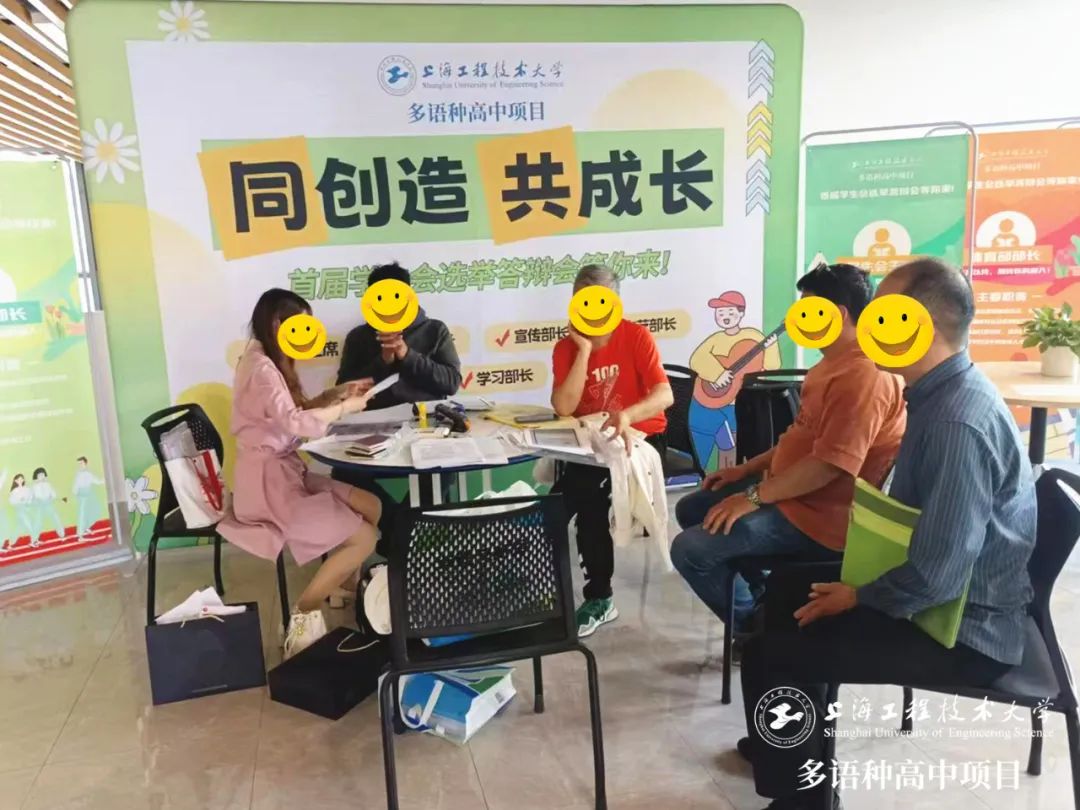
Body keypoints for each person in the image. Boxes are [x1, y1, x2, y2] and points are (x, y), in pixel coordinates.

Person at [739, 258, 1037, 810]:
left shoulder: (954, 422)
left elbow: (937, 575)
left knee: (775, 650)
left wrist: (858, 596)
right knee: (779, 600)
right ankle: (794, 756)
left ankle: (802, 798)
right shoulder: (938, 393)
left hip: (964, 628)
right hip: (939, 589)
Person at [671, 264, 906, 635]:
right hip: (794, 496)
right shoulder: (829, 365)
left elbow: (830, 465)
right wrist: (744, 471)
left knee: (691, 550)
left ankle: (754, 632)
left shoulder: (865, 375)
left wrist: (753, 497)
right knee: (693, 507)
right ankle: (766, 600)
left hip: (823, 520)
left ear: (838, 313)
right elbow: (800, 438)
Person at [218, 288, 382, 658]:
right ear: (278, 323)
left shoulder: (267, 360)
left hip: (286, 472)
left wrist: (338, 394)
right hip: (269, 488)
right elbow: (295, 422)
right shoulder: (261, 368)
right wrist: (345, 408)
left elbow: (298, 410)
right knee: (365, 539)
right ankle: (302, 615)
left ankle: (341, 586)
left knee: (371, 505)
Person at [551, 264, 674, 637]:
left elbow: (665, 394)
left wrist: (628, 415)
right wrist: (584, 351)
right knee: (554, 507)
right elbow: (564, 407)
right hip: (591, 445)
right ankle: (543, 589)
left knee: (589, 502)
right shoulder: (566, 347)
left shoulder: (636, 336)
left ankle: (600, 598)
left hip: (640, 439)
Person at [334, 262, 462, 534]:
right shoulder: (359, 337)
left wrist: (408, 356)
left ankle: (400, 537)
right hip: (373, 430)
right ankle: (400, 535)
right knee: (343, 474)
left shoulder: (434, 330)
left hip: (425, 427)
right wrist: (382, 362)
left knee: (441, 470)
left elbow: (451, 382)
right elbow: (343, 389)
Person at [687, 290, 782, 466]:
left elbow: (771, 367)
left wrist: (772, 346)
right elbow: (697, 359)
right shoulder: (715, 339)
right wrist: (717, 374)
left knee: (735, 451)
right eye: (720, 312)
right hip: (709, 402)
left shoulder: (754, 336)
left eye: (730, 312)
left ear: (741, 313)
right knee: (699, 445)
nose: (725, 316)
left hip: (737, 404)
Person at [72, 456, 104, 540]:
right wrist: (75, 494)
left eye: (81, 463)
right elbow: (76, 485)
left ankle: (86, 527)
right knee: (82, 513)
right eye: (79, 464)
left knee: (94, 510)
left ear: (85, 463)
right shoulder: (79, 474)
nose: (80, 465)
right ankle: (80, 535)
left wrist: (103, 480)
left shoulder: (89, 473)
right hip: (81, 495)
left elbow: (96, 481)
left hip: (89, 493)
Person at [31, 467, 65, 543]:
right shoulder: (34, 486)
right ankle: (35, 539)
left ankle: (62, 535)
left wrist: (54, 498)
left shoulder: (48, 484)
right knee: (38, 522)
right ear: (36, 476)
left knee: (56, 519)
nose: (41, 477)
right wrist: (36, 501)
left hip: (49, 504)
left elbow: (53, 494)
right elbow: (32, 498)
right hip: (40, 506)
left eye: (43, 475)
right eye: (39, 475)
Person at [9, 474, 33, 545]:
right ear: (15, 481)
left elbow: (30, 498)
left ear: (23, 480)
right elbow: (12, 502)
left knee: (19, 527)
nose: (20, 480)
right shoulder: (14, 491)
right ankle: (33, 541)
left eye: (21, 479)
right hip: (20, 510)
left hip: (27, 509)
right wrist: (19, 501)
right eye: (18, 479)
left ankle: (11, 542)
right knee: (29, 525)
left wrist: (28, 503)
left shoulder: (27, 489)